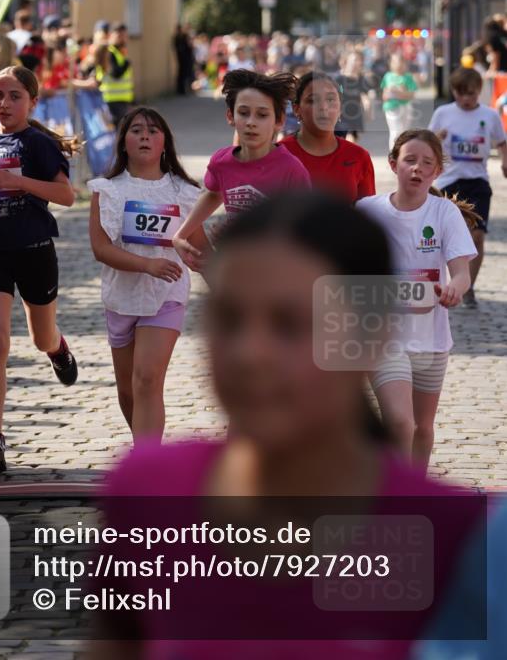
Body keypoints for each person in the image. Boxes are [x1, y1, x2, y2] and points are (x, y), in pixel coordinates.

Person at [95, 192, 484, 658]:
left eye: (289, 324)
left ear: (369, 336)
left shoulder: (460, 539)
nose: (249, 354)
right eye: (230, 320)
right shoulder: (146, 493)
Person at [0, 65, 79, 475]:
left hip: (34, 250)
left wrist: (20, 183)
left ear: (32, 101)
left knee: (40, 336)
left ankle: (58, 348)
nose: (4, 103)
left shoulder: (37, 143)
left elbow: (66, 195)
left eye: (14, 96)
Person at [357, 129, 477, 469]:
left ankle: (415, 494)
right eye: (410, 160)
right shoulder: (367, 210)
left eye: (427, 163)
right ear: (394, 164)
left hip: (432, 338)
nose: (417, 168)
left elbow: (461, 272)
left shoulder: (444, 214)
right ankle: (388, 495)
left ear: (437, 172)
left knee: (422, 429)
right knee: (400, 422)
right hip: (383, 338)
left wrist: (456, 287)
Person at [88, 108, 205, 442]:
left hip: (166, 297)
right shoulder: (106, 190)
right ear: (123, 142)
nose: (144, 136)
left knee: (147, 380)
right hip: (120, 298)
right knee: (128, 390)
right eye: (136, 130)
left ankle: (147, 469)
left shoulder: (184, 192)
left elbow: (202, 251)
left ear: (164, 143)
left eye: (153, 131)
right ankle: (146, 454)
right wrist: (146, 265)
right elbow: (100, 249)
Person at [172, 69, 310, 272]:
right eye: (243, 113)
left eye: (262, 115)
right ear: (230, 116)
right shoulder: (221, 162)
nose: (251, 122)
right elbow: (213, 194)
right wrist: (181, 234)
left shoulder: (291, 169)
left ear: (279, 121)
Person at [428, 67, 507, 308]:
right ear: (453, 91)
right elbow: (425, 141)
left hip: (478, 182)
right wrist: (437, 139)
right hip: (448, 183)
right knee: (447, 237)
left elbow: (502, 142)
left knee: (477, 236)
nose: (465, 99)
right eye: (460, 93)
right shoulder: (443, 113)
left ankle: (468, 286)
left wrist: (505, 161)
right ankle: (445, 283)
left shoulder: (490, 115)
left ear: (479, 92)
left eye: (471, 94)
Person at [282, 71, 375, 202]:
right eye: (313, 100)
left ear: (341, 108)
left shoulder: (359, 157)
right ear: (296, 109)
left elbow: (368, 214)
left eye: (330, 99)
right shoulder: (279, 154)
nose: (323, 107)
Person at [97, 24, 134, 125]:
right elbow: (115, 73)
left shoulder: (119, 52)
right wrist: (127, 63)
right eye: (119, 36)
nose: (123, 39)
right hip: (112, 99)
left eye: (124, 36)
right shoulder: (109, 52)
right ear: (111, 35)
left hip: (122, 98)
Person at [381, 53, 417, 149]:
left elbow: (411, 95)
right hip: (391, 107)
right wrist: (389, 95)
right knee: (395, 131)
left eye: (400, 62)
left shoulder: (408, 77)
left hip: (405, 106)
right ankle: (393, 154)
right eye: (395, 62)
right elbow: (384, 95)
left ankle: (402, 153)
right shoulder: (387, 76)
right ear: (391, 64)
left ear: (404, 64)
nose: (398, 65)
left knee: (404, 132)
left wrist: (397, 92)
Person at [336, 50, 374, 141]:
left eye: (358, 60)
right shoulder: (340, 79)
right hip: (342, 115)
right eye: (354, 60)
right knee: (349, 140)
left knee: (353, 142)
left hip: (355, 115)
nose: (356, 63)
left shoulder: (361, 80)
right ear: (347, 61)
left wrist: (368, 107)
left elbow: (365, 95)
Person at [172, 24, 195, 96]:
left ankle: (183, 89)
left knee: (184, 74)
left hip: (183, 59)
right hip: (184, 59)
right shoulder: (182, 37)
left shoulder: (181, 37)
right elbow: (189, 46)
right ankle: (182, 90)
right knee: (184, 74)